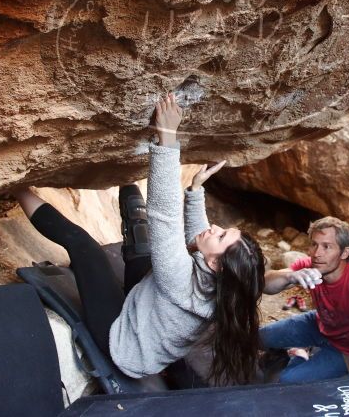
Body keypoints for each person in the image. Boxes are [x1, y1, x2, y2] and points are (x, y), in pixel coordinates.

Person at [15, 93, 266, 386]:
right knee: (139, 229)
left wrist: (168, 137)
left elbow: (165, 217)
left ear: (216, 264)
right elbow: (197, 237)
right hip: (146, 310)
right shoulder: (219, 283)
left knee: (85, 247)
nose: (215, 228)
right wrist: (196, 190)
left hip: (121, 341)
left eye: (222, 235)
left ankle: (16, 191)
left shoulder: (181, 283)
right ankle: (123, 178)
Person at [261, 217, 349, 383]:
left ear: (345, 253)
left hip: (346, 351)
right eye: (314, 244)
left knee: (287, 382)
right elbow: (265, 284)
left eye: (327, 246)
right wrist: (291, 276)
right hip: (320, 323)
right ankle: (302, 350)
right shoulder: (312, 265)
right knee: (259, 337)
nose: (317, 253)